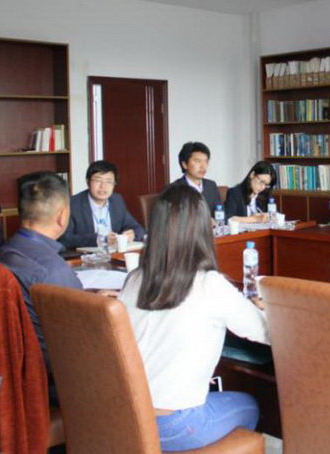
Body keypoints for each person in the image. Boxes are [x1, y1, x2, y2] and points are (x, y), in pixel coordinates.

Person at [118, 184, 268, 451]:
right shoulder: (210, 284)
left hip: (128, 416)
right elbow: (265, 332)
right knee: (252, 405)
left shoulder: (135, 279)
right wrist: (264, 309)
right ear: (202, 230)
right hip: (176, 425)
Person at [0, 172, 85, 372]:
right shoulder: (53, 272)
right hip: (59, 373)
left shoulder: (7, 250)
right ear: (62, 215)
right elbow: (81, 337)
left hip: (21, 362)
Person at [59, 160, 145, 249]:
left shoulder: (117, 201)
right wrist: (98, 240)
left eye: (109, 181)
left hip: (114, 253)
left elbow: (138, 229)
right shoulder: (73, 204)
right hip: (85, 255)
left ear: (114, 184)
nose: (103, 186)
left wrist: (132, 233)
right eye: (98, 180)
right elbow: (64, 238)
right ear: (88, 181)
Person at [170, 142, 221, 216]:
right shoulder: (174, 189)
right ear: (184, 164)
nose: (203, 166)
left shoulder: (211, 186)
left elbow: (221, 213)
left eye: (206, 161)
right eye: (198, 161)